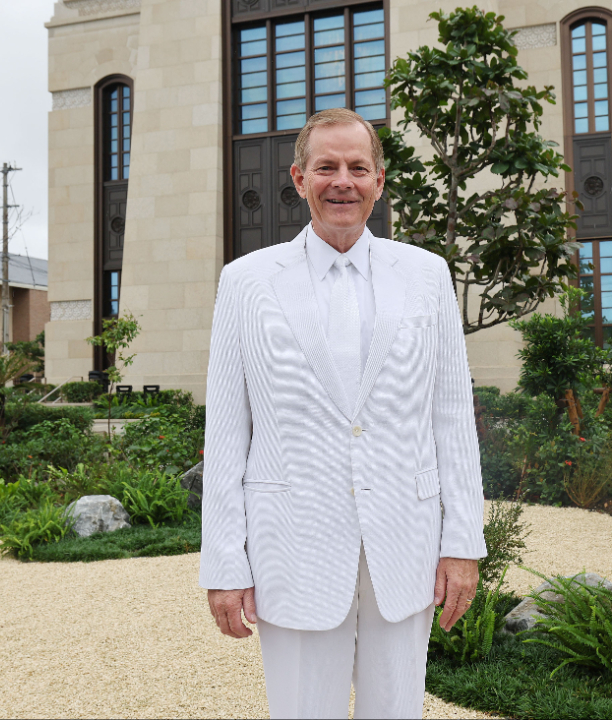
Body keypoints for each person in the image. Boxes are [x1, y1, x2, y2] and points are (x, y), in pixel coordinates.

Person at [199, 107, 487, 719]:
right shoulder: (245, 282)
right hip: (292, 546)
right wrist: (224, 563)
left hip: (404, 546)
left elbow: (451, 417)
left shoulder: (427, 275)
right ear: (299, 178)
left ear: (379, 181)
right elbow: (227, 430)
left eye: (358, 167)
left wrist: (463, 543)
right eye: (326, 167)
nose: (343, 181)